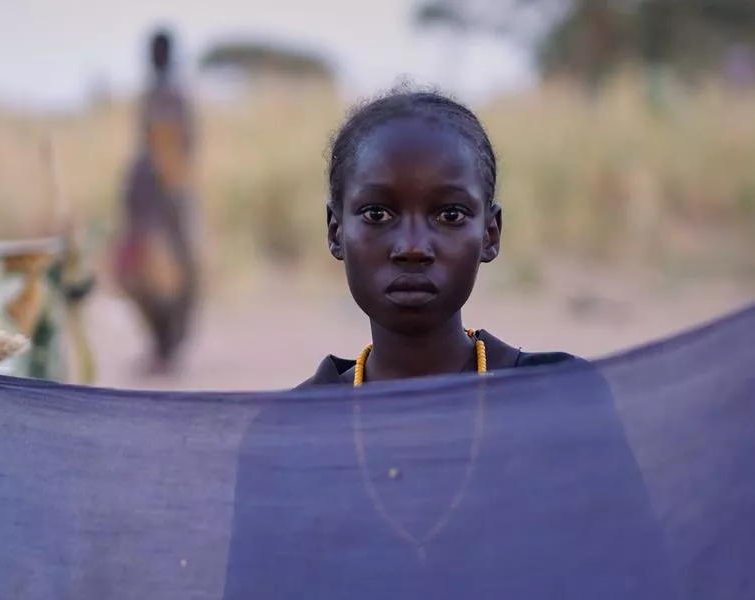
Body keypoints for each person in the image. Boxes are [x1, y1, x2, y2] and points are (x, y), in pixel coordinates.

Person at [221, 87, 679, 599]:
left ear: (491, 233)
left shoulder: (557, 403)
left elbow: (638, 580)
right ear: (335, 232)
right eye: (377, 214)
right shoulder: (289, 437)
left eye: (450, 215)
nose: (413, 246)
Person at [112, 26, 200, 377]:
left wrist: (156, 209)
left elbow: (171, 158)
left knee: (164, 280)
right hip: (154, 202)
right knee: (140, 277)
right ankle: (162, 349)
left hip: (164, 205)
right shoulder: (158, 94)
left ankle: (167, 351)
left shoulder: (168, 97)